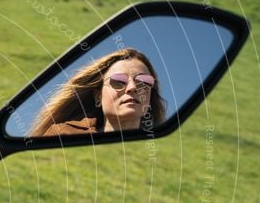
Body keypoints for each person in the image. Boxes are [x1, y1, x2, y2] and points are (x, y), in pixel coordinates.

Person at [32, 48, 166, 137]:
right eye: (118, 81)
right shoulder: (63, 134)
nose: (132, 87)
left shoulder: (160, 148)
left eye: (144, 82)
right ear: (98, 96)